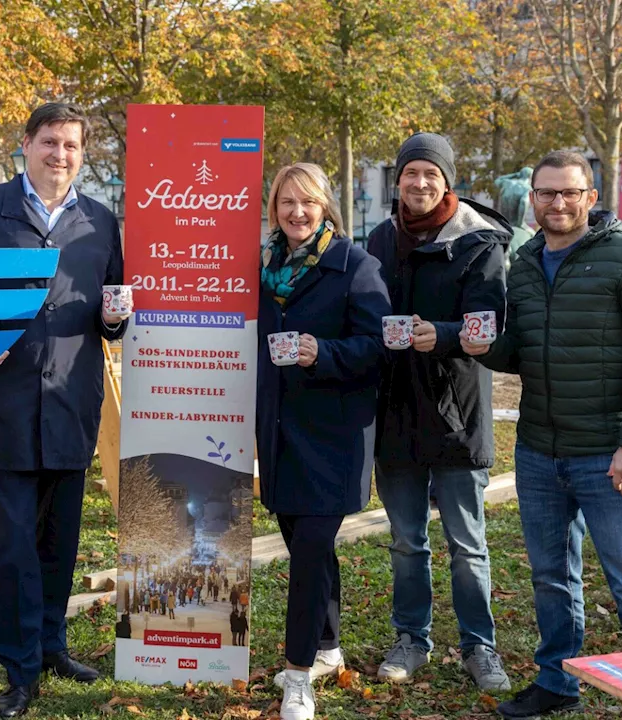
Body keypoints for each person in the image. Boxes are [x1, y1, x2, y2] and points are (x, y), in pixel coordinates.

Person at [464, 151, 622, 719]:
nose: (557, 203)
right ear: (531, 199)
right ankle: (557, 682)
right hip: (539, 452)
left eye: (569, 193)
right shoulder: (529, 261)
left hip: (608, 454)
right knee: (551, 579)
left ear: (590, 197)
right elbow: (524, 350)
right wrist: (480, 346)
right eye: (546, 193)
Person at [0, 102, 129, 718]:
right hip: (6, 406)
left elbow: (112, 316)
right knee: (15, 544)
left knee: (61, 541)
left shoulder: (101, 221)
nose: (60, 154)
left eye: (72, 145)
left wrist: (115, 318)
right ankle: (19, 668)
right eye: (49, 141)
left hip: (72, 405)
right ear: (25, 144)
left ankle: (53, 644)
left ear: (83, 153)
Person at [364, 132, 512, 692]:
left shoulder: (480, 242)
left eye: (431, 174)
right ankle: (412, 639)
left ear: (447, 181)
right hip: (395, 410)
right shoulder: (380, 239)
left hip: (457, 412)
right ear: (397, 181)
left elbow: (490, 323)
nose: (419, 183)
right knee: (406, 540)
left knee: (467, 543)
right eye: (410, 174)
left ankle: (480, 647)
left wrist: (441, 335)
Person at [256, 163, 392, 720]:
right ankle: (329, 647)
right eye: (286, 203)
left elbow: (381, 346)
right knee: (307, 547)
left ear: (326, 206)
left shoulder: (356, 266)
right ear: (274, 209)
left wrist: (324, 352)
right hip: (280, 434)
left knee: (309, 552)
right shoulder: (263, 267)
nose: (296, 212)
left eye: (307, 202)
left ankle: (297, 676)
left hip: (334, 438)